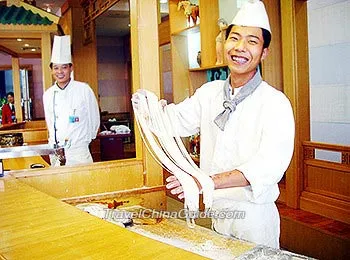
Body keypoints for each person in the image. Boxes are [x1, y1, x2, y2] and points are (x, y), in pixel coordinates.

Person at [163, 0, 295, 248]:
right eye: (234, 38)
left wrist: (204, 181)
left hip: (254, 217)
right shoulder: (209, 93)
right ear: (224, 43)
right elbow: (175, 122)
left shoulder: (275, 103)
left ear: (264, 52)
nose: (240, 48)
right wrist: (148, 107)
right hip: (218, 211)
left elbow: (267, 168)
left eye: (252, 41)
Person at [43, 35, 100, 166]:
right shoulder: (48, 95)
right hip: (56, 152)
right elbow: (50, 123)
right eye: (56, 68)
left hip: (79, 152)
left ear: (71, 68)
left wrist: (83, 141)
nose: (60, 72)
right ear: (51, 70)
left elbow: (94, 119)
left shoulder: (84, 89)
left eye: (64, 67)